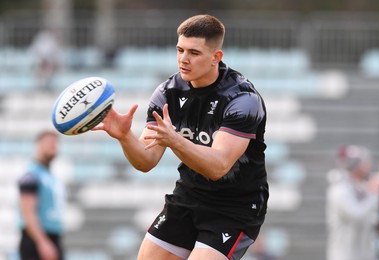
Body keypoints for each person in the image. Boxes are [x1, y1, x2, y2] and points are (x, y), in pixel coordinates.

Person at [93, 14, 269, 260]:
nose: (183, 60)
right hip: (189, 196)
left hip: (234, 207)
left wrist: (174, 139)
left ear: (216, 57)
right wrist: (125, 137)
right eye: (180, 50)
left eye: (194, 53)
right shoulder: (168, 93)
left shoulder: (242, 99)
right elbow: (146, 161)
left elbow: (218, 166)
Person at [326, 145, 379, 260]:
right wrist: (374, 193)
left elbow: (366, 214)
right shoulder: (339, 191)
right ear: (357, 166)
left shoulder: (359, 187)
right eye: (364, 162)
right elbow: (357, 215)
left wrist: (377, 225)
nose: (368, 165)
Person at [17, 130, 66, 260]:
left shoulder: (50, 175)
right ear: (38, 145)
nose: (53, 146)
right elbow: (27, 212)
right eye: (49, 142)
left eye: (55, 143)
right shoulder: (31, 175)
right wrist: (42, 242)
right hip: (37, 240)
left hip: (53, 237)